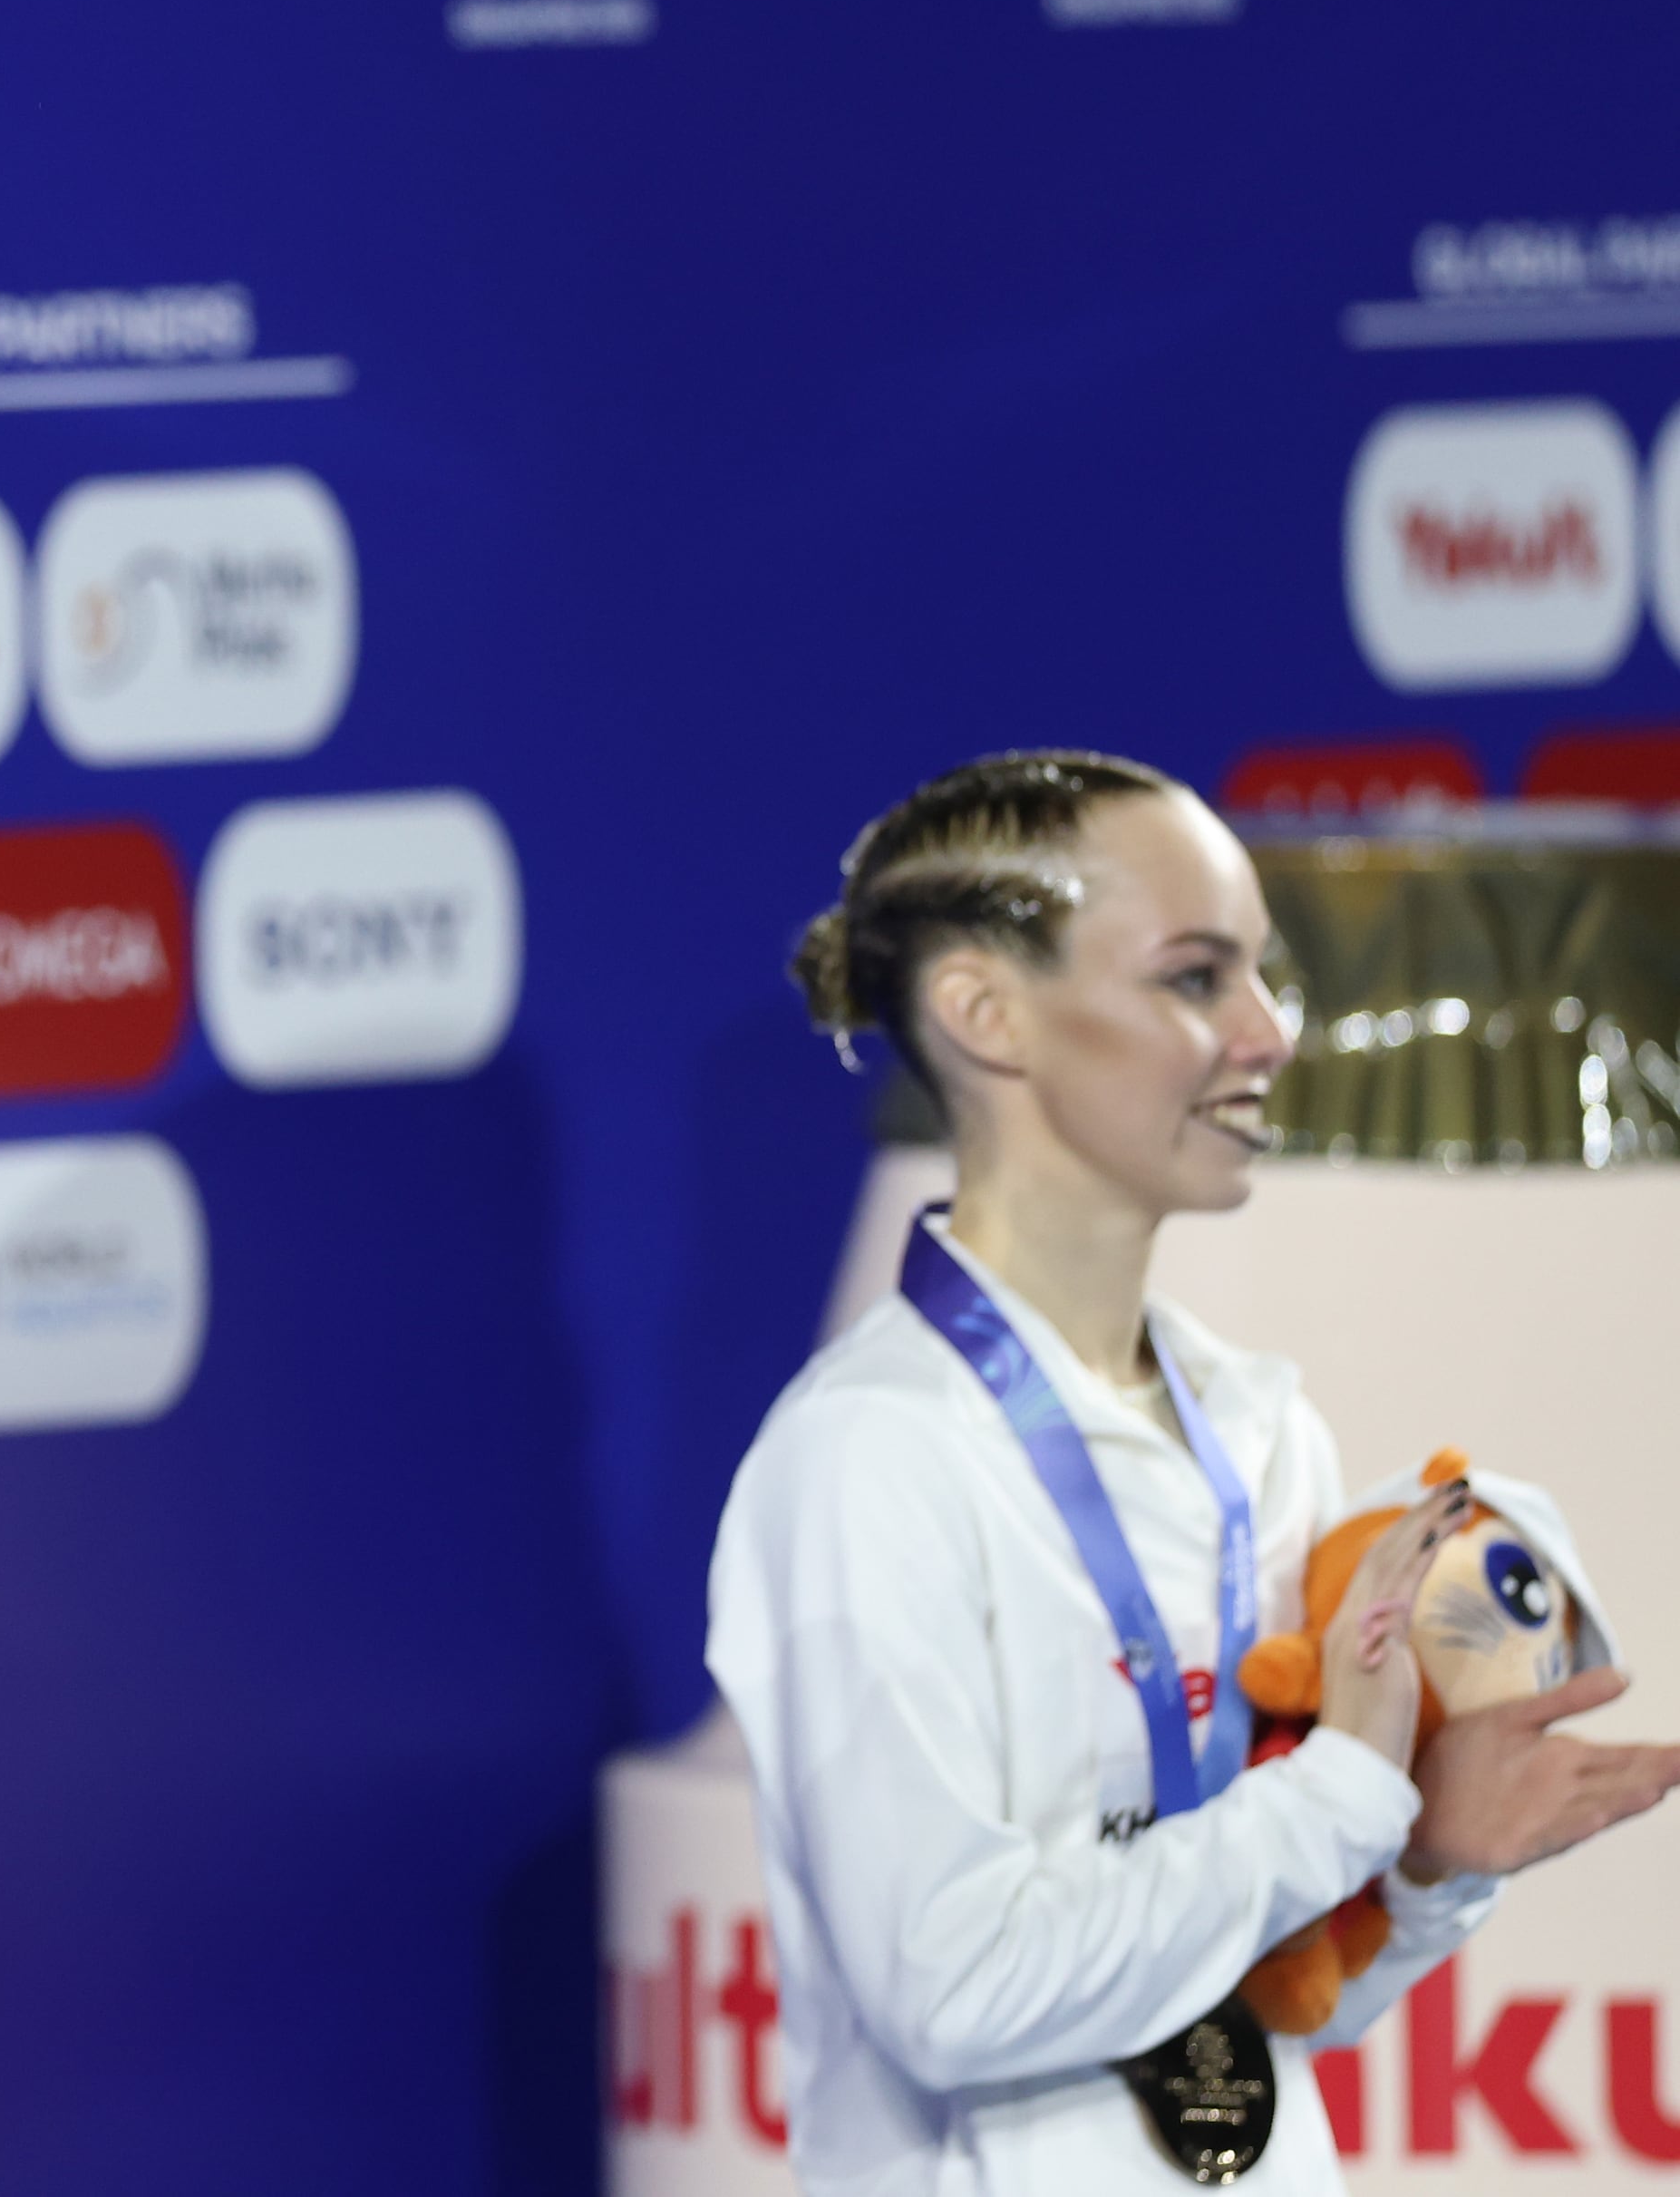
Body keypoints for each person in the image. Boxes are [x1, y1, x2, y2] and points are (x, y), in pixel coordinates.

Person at [711, 750, 1680, 2195]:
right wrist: (1345, 1792)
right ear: (988, 1014)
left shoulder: (1258, 1425)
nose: (1270, 1032)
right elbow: (954, 1988)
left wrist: (1419, 1873)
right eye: (1193, 977)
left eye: (1265, 974)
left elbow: (1266, 1997)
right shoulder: (868, 1459)